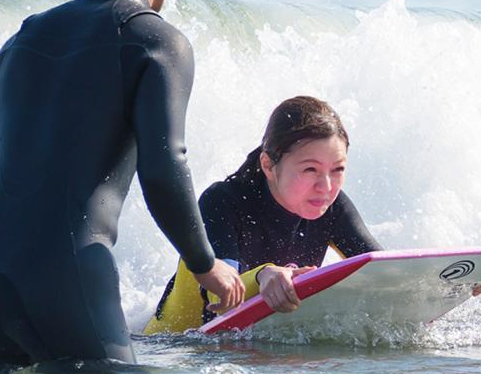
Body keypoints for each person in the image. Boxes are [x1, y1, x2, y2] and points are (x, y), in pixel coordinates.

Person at [0, 0, 243, 369]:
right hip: (68, 278)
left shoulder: (23, 39)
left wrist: (8, 261)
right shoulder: (156, 41)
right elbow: (164, 167)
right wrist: (204, 264)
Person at [143, 96, 380, 332]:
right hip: (174, 352)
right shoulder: (223, 201)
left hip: (257, 352)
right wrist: (263, 276)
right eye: (310, 169)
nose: (326, 186)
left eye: (338, 169)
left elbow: (385, 273)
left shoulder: (332, 207)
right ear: (268, 164)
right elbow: (218, 297)